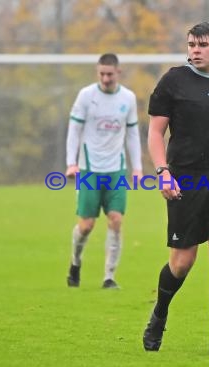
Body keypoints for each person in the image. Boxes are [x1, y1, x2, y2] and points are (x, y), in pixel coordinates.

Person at [143, 22, 209, 355]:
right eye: (190, 44)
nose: (194, 49)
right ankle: (159, 314)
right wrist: (163, 172)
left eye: (201, 44)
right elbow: (154, 134)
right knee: (183, 262)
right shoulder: (172, 82)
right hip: (184, 179)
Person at [65, 53, 142, 289]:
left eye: (109, 74)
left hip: (116, 170)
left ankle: (109, 276)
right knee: (86, 225)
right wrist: (71, 163)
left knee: (116, 220)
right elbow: (74, 130)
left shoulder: (128, 98)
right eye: (101, 74)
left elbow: (132, 134)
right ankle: (75, 262)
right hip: (89, 169)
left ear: (118, 72)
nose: (105, 78)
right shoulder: (87, 96)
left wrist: (137, 167)